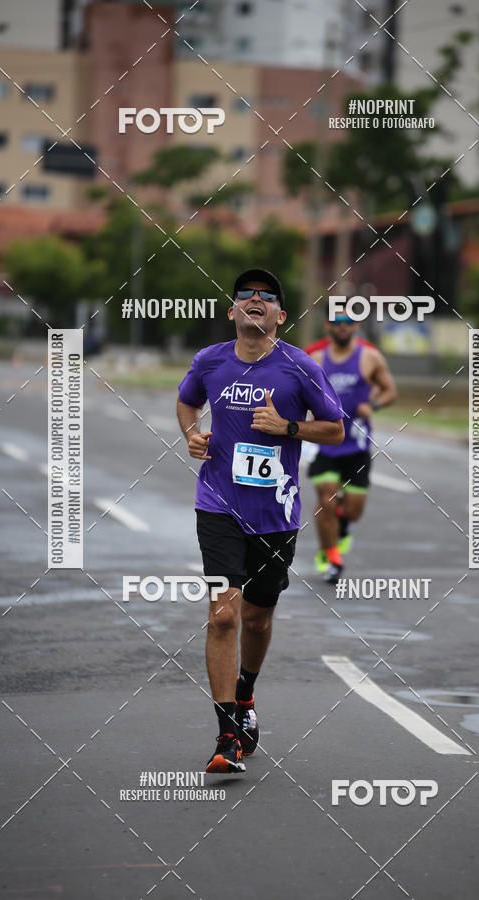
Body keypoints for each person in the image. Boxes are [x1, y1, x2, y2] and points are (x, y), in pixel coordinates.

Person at [177, 268, 344, 774]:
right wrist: (192, 435)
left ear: (279, 315)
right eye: (245, 295)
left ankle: (245, 693)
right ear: (232, 311)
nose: (255, 300)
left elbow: (336, 429)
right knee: (223, 615)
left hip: (276, 512)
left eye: (266, 297)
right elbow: (187, 402)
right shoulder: (210, 361)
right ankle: (227, 734)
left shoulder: (299, 367)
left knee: (258, 617)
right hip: (218, 506)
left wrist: (288, 426)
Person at [307, 313, 397, 583]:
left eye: (348, 322)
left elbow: (389, 390)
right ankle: (331, 557)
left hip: (356, 448)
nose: (342, 327)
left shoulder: (370, 357)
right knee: (326, 499)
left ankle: (342, 526)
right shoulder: (317, 359)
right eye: (336, 322)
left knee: (353, 511)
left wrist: (375, 405)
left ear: (355, 326)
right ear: (327, 326)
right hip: (326, 444)